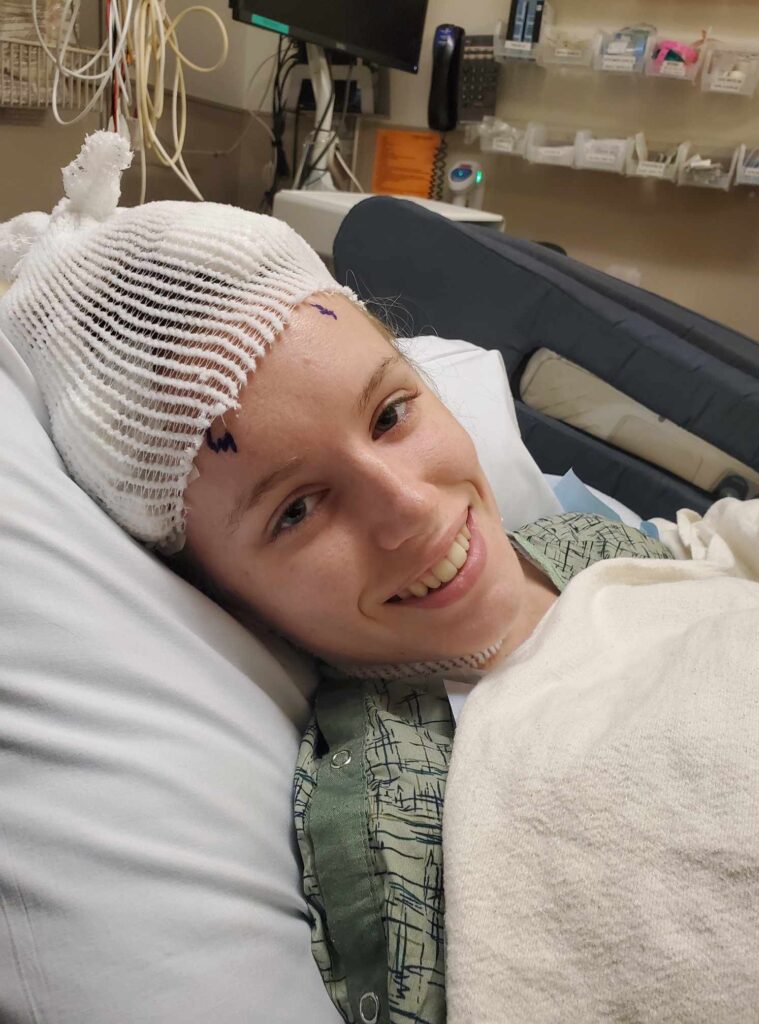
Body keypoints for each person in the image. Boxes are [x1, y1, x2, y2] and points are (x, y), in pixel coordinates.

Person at [0, 132, 682, 1024]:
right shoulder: (388, 811)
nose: (409, 507)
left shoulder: (594, 540)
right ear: (227, 600)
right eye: (296, 511)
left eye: (392, 413)